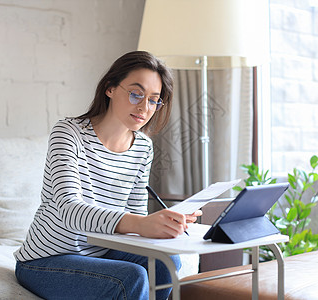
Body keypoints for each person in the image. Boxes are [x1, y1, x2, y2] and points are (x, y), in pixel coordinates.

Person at [14, 51, 202, 300]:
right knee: (131, 277)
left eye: (154, 100)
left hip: (102, 253)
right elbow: (70, 209)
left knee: (165, 261)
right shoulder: (69, 133)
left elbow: (136, 218)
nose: (144, 107)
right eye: (136, 93)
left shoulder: (143, 147)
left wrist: (164, 224)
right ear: (110, 88)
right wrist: (141, 223)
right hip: (46, 259)